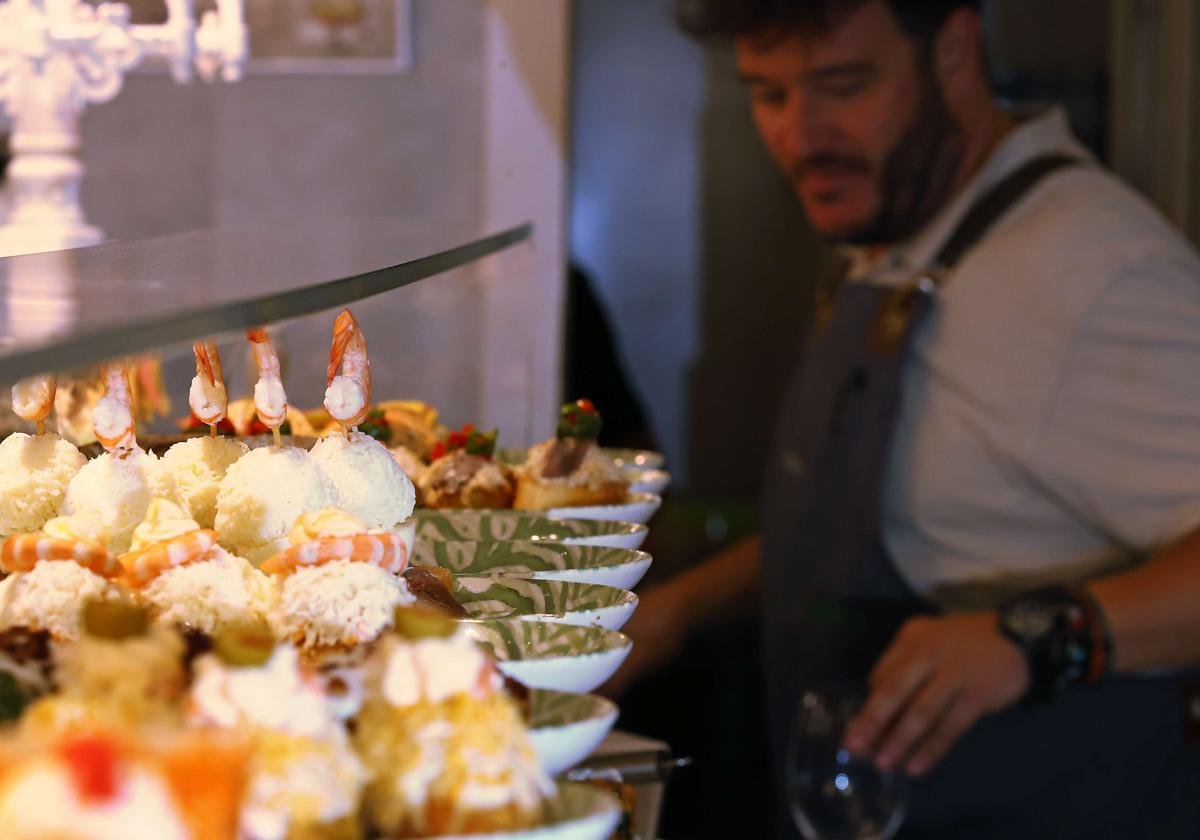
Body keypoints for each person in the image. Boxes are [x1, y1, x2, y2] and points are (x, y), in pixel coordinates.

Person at [615, 1, 1200, 837]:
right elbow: (872, 516)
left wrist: (1045, 635)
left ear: (955, 49)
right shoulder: (908, 235)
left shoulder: (1092, 271)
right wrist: (675, 613)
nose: (801, 134)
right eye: (769, 95)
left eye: (843, 84)